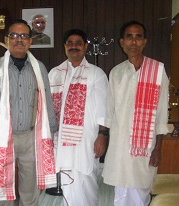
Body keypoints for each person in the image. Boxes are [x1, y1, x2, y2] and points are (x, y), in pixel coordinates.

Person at [0, 19, 57, 206]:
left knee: (30, 191)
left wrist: (51, 134)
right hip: (2, 136)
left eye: (24, 36)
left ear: (30, 41)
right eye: (14, 35)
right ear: (6, 39)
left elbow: (47, 101)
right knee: (2, 190)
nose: (19, 40)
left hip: (31, 137)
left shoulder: (39, 68)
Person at [102, 20, 169, 206]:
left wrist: (158, 148)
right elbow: (109, 109)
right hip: (120, 145)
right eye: (129, 37)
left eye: (138, 37)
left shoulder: (157, 70)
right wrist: (102, 136)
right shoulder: (116, 72)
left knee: (141, 189)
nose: (133, 42)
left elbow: (162, 111)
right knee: (121, 190)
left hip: (146, 147)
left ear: (144, 42)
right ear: (121, 42)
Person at [48, 29, 109, 206]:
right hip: (62, 141)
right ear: (65, 46)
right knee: (68, 184)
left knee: (86, 181)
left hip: (87, 140)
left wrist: (102, 135)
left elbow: (103, 108)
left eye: (78, 43)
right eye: (70, 43)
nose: (74, 46)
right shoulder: (55, 73)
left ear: (85, 47)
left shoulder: (96, 73)